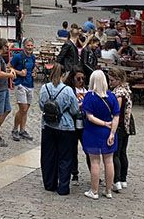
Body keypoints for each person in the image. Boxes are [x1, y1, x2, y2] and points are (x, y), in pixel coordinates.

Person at [38, 62, 79, 195]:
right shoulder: (67, 90)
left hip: (48, 126)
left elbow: (41, 106)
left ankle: (50, 183)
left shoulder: (44, 88)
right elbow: (74, 110)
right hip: (65, 127)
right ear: (63, 75)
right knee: (65, 157)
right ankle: (63, 187)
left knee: (49, 155)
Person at [81, 69, 119, 199]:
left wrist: (103, 123)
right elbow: (116, 117)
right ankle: (108, 190)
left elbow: (90, 117)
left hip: (93, 132)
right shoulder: (111, 96)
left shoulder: (89, 97)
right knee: (109, 161)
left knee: (95, 162)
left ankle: (94, 190)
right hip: (108, 133)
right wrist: (112, 132)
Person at [109, 68, 132, 192]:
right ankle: (123, 179)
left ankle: (117, 180)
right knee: (123, 152)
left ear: (118, 79)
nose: (110, 82)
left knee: (116, 154)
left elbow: (116, 111)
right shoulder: (126, 90)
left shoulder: (118, 93)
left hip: (119, 125)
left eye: (112, 80)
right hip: (126, 125)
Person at [10, 39, 36, 142]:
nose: (30, 47)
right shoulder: (18, 57)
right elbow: (9, 67)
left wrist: (33, 73)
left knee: (26, 110)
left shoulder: (33, 57)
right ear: (24, 46)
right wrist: (19, 73)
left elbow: (32, 68)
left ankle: (22, 130)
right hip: (20, 84)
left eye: (31, 45)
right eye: (28, 45)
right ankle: (15, 129)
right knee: (22, 109)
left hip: (30, 84)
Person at [70, 69, 89, 185]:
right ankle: (74, 174)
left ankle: (93, 172)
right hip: (74, 123)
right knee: (73, 150)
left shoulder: (87, 91)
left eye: (83, 78)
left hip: (85, 124)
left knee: (88, 149)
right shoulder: (71, 91)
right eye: (78, 79)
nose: (81, 81)